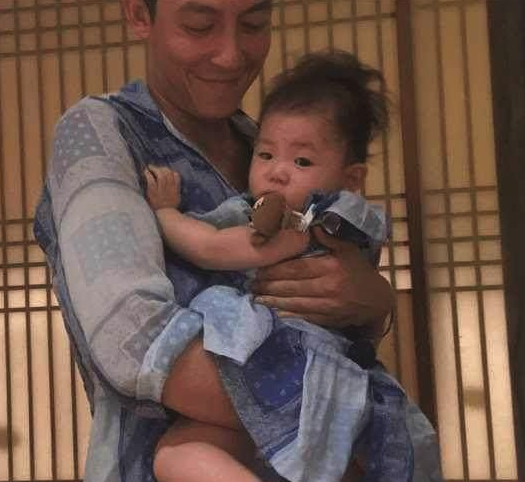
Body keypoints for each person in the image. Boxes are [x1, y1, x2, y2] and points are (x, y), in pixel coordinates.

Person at [32, 1, 397, 482]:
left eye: (253, 24)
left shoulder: (268, 148)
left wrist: (375, 300)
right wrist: (349, 418)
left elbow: (343, 320)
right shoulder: (103, 132)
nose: (230, 55)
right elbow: (132, 342)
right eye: (199, 25)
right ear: (139, 14)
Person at [146, 51, 412, 482]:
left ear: (351, 179)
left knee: (178, 454)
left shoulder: (300, 226)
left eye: (301, 161)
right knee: (179, 455)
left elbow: (211, 247)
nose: (277, 173)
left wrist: (164, 214)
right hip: (324, 376)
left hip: (289, 368)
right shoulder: (356, 231)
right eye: (266, 154)